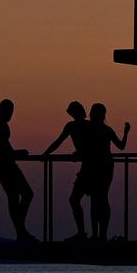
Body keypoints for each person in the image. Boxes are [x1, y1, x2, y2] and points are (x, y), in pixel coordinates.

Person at [44, 102, 95, 241]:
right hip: (92, 166)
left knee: (75, 200)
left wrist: (46, 154)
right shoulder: (88, 125)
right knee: (88, 200)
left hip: (89, 167)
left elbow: (59, 141)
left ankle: (83, 233)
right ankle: (88, 234)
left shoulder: (73, 126)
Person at [0, 99, 35, 241]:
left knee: (19, 195)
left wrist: (15, 153)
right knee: (23, 194)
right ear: (2, 109)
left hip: (7, 164)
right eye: (9, 111)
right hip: (3, 166)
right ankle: (20, 229)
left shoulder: (0, 123)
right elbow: (2, 149)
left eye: (12, 111)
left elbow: (5, 147)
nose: (11, 114)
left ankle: (21, 229)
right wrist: (18, 153)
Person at [86, 103, 130, 241]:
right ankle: (101, 234)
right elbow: (121, 146)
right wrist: (126, 133)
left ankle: (96, 234)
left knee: (95, 200)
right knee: (102, 199)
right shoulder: (107, 130)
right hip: (105, 166)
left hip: (95, 167)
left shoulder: (89, 130)